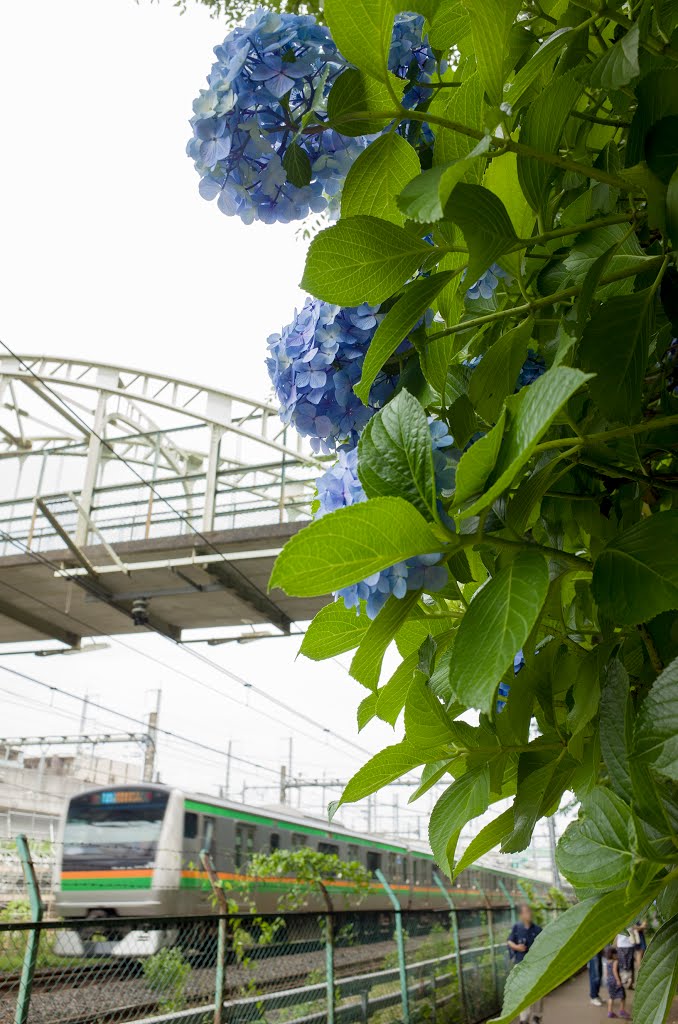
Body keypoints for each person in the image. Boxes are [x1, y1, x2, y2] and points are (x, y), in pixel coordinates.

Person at [507, 903, 543, 1023]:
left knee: (537, 990)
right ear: (521, 915)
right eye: (526, 911)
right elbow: (509, 942)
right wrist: (517, 947)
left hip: (535, 966)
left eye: (529, 911)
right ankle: (524, 1018)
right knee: (522, 991)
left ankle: (536, 1016)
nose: (529, 913)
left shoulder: (537, 930)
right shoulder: (517, 927)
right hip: (521, 965)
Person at [604, 945, 630, 1019]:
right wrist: (618, 981)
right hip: (615, 981)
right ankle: (622, 1010)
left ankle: (610, 1012)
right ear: (613, 955)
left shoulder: (607, 962)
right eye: (616, 954)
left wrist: (607, 979)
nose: (617, 955)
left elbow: (606, 972)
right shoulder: (615, 962)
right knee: (623, 996)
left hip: (609, 981)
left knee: (611, 997)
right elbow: (614, 971)